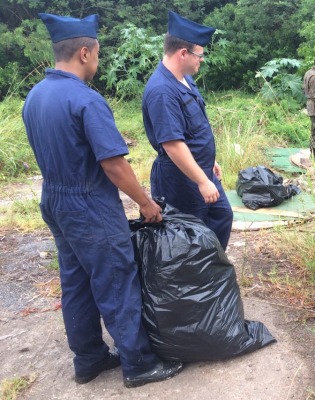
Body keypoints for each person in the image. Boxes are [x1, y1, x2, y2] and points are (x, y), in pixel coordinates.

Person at [22, 13, 183, 388]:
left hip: (55, 199)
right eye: (97, 54)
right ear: (83, 52)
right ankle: (139, 364)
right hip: (89, 203)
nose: (98, 61)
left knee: (76, 279)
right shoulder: (85, 99)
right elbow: (113, 165)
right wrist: (145, 202)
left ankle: (89, 359)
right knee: (115, 278)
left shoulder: (35, 96)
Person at [142, 11, 233, 250]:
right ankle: (194, 282)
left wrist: (210, 161)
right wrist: (202, 181)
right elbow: (173, 145)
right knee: (190, 236)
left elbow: (195, 128)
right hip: (182, 179)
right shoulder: (162, 90)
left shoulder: (185, 79)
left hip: (202, 170)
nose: (201, 60)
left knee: (222, 216)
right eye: (199, 55)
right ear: (183, 53)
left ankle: (211, 272)